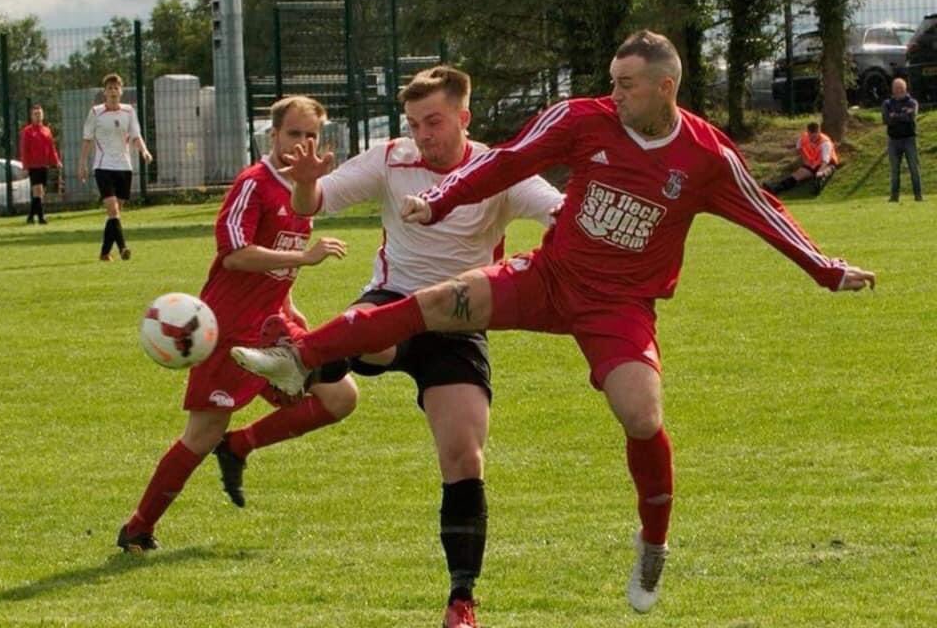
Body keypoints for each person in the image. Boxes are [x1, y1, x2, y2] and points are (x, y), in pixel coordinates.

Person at [231, 31, 877, 615]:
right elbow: (509, 160)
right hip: (546, 279)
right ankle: (302, 354)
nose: (614, 94)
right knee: (435, 303)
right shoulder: (582, 119)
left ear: (665, 87)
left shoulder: (705, 155)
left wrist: (824, 269)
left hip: (617, 308)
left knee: (641, 416)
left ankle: (653, 544)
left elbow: (764, 210)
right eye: (612, 81)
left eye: (626, 84)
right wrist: (442, 198)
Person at [223, 66, 562, 628]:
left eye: (434, 122)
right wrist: (307, 181)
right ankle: (301, 359)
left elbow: (557, 207)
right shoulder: (390, 157)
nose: (423, 134)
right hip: (391, 299)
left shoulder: (498, 170)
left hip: (458, 322)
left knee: (463, 457)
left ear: (464, 118)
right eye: (414, 123)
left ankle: (461, 601)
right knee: (374, 334)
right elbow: (313, 205)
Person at [116, 96, 357, 554]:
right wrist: (303, 258)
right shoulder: (253, 184)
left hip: (272, 325)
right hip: (226, 331)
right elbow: (236, 254)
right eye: (294, 134)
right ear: (273, 136)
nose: (303, 144)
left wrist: (291, 303)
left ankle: (241, 445)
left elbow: (277, 262)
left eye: (312, 136)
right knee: (202, 433)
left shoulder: (304, 190)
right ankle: (138, 527)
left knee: (340, 396)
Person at [77, 73, 153, 261]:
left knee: (116, 213)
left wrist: (144, 151)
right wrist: (82, 163)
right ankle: (123, 248)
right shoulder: (96, 112)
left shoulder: (129, 111)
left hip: (124, 167)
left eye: (116, 88)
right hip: (103, 167)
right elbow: (87, 139)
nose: (113, 91)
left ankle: (104, 253)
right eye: (109, 88)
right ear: (104, 92)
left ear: (121, 91)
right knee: (113, 210)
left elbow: (136, 135)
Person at [763, 121, 838, 196]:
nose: (812, 138)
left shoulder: (825, 143)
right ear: (807, 132)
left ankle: (817, 186)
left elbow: (826, 160)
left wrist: (820, 171)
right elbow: (799, 148)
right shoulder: (803, 137)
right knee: (797, 175)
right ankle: (776, 188)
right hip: (813, 163)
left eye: (815, 136)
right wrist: (805, 159)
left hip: (828, 163)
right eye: (810, 136)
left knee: (822, 174)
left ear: (819, 132)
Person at [19, 104, 62, 224]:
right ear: (31, 116)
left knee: (40, 192)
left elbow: (51, 147)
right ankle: (41, 218)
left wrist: (56, 161)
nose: (38, 116)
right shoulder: (27, 131)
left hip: (44, 165)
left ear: (43, 115)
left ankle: (30, 217)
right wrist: (25, 166)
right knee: (37, 190)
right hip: (33, 166)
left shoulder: (46, 130)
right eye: (35, 114)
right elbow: (24, 150)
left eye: (40, 114)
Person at [882, 78, 923, 202]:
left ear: (905, 88)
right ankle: (894, 197)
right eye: (896, 88)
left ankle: (918, 195)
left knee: (914, 168)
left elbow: (911, 118)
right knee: (894, 170)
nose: (898, 90)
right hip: (893, 140)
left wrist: (895, 115)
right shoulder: (887, 104)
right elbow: (886, 120)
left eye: (900, 88)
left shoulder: (913, 102)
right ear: (892, 90)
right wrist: (902, 115)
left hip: (909, 139)